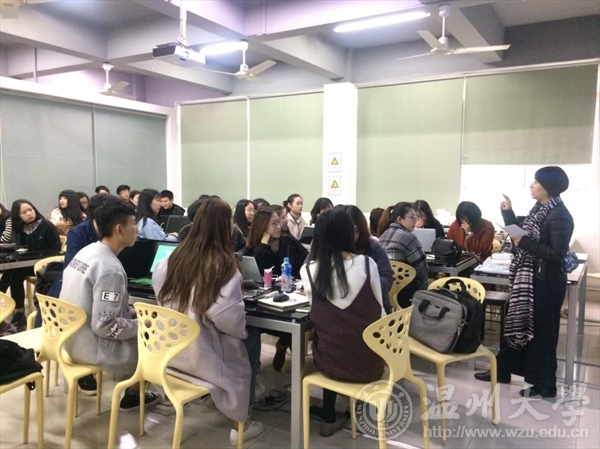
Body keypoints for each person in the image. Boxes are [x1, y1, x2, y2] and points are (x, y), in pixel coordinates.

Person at [152, 198, 263, 445]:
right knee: (250, 340)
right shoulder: (224, 265)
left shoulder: (173, 258)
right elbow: (228, 320)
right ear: (225, 226)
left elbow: (160, 293)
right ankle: (241, 423)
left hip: (170, 354)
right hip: (202, 358)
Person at [475, 166, 574, 399]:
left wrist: (524, 243)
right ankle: (503, 370)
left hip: (546, 283)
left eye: (536, 182)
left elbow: (556, 253)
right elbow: (523, 233)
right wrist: (508, 214)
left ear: (548, 187)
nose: (532, 185)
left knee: (542, 335)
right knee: (516, 324)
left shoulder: (560, 215)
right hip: (530, 279)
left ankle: (546, 385)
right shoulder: (540, 209)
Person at [60, 198, 159, 410]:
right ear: (119, 229)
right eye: (133, 224)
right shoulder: (110, 269)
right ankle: (133, 395)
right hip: (90, 347)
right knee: (155, 338)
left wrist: (131, 313)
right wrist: (145, 325)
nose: (137, 230)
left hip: (70, 339)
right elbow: (105, 326)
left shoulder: (87, 252)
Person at [300, 209, 385, 437]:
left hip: (328, 364)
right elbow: (381, 315)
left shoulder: (308, 270)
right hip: (369, 366)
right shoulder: (367, 264)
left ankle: (329, 413)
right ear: (348, 233)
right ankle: (357, 407)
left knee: (331, 337)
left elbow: (320, 313)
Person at [0, 199, 61, 329]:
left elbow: (56, 250)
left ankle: (11, 304)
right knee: (13, 273)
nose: (29, 214)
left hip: (46, 266)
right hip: (28, 263)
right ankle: (19, 312)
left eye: (30, 210)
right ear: (18, 216)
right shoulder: (19, 228)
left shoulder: (47, 226)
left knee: (13, 273)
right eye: (24, 212)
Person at [343, 205, 393, 313]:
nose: (352, 236)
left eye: (356, 230)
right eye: (347, 231)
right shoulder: (328, 248)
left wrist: (366, 283)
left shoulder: (373, 247)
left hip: (371, 305)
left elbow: (387, 280)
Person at [378, 202, 428, 308]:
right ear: (400, 219)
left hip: (384, 290)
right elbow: (422, 270)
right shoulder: (409, 237)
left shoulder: (382, 235)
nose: (415, 220)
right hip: (404, 292)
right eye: (412, 217)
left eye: (416, 217)